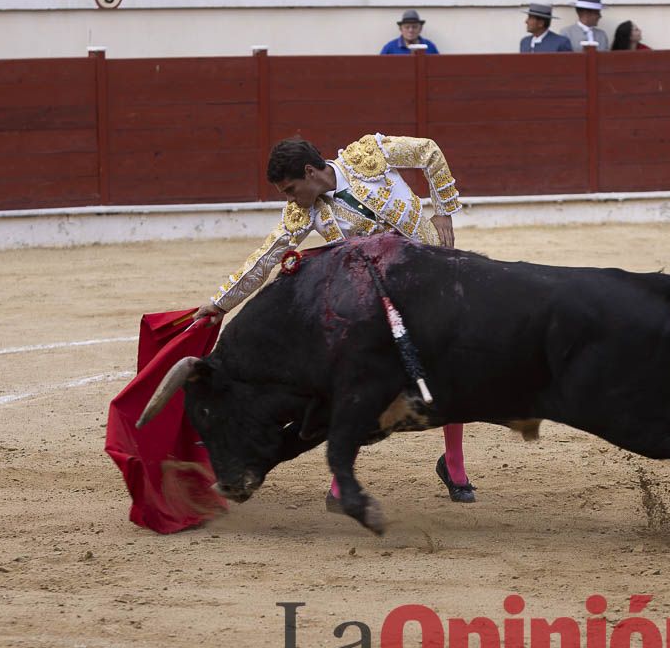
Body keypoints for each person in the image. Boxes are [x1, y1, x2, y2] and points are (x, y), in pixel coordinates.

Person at [192, 133, 477, 506]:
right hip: (382, 298)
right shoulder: (304, 212)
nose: (289, 198)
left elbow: (428, 151)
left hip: (434, 274)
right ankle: (343, 477)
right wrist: (220, 303)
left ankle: (454, 464)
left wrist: (443, 209)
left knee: (452, 364)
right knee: (358, 377)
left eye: (291, 188)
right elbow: (265, 257)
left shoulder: (367, 156)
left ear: (311, 172)